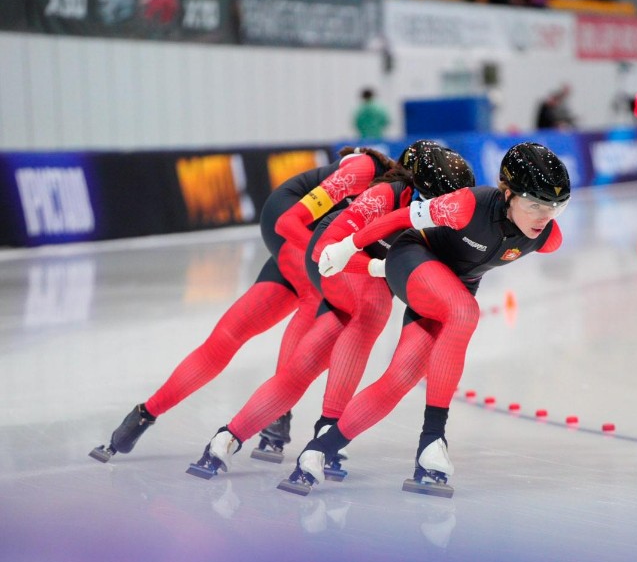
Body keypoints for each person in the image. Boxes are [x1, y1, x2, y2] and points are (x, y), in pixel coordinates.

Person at [281, 142, 570, 497]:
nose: (545, 217)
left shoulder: (548, 238)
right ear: (507, 194)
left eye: (556, 207)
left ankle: (317, 451)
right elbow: (401, 218)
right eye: (535, 205)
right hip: (412, 260)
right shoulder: (468, 204)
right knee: (465, 312)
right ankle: (434, 439)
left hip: (449, 285)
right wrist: (347, 247)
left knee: (399, 379)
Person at [89, 145, 396, 463]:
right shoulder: (365, 169)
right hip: (290, 227)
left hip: (300, 244)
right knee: (317, 299)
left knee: (227, 337)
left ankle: (143, 415)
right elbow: (292, 221)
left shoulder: (390, 202)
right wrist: (329, 255)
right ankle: (279, 414)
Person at [185, 144, 476, 480]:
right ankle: (328, 427)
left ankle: (226, 438)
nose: (440, 213)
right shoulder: (382, 196)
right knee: (374, 306)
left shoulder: (456, 212)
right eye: (432, 203)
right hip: (335, 263)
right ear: (411, 189)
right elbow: (324, 249)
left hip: (364, 276)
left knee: (305, 365)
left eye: (449, 205)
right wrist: (376, 268)